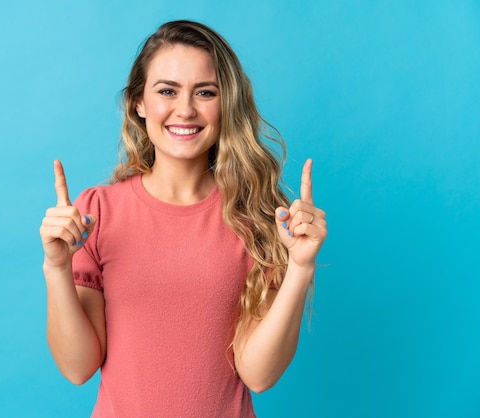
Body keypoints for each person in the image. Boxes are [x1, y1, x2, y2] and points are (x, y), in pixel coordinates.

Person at [39, 20, 327, 417]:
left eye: (205, 92)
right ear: (139, 103)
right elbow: (77, 367)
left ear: (226, 104)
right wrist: (56, 267)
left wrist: (300, 266)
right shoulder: (98, 213)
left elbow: (259, 375)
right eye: (167, 91)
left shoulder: (257, 217)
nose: (186, 109)